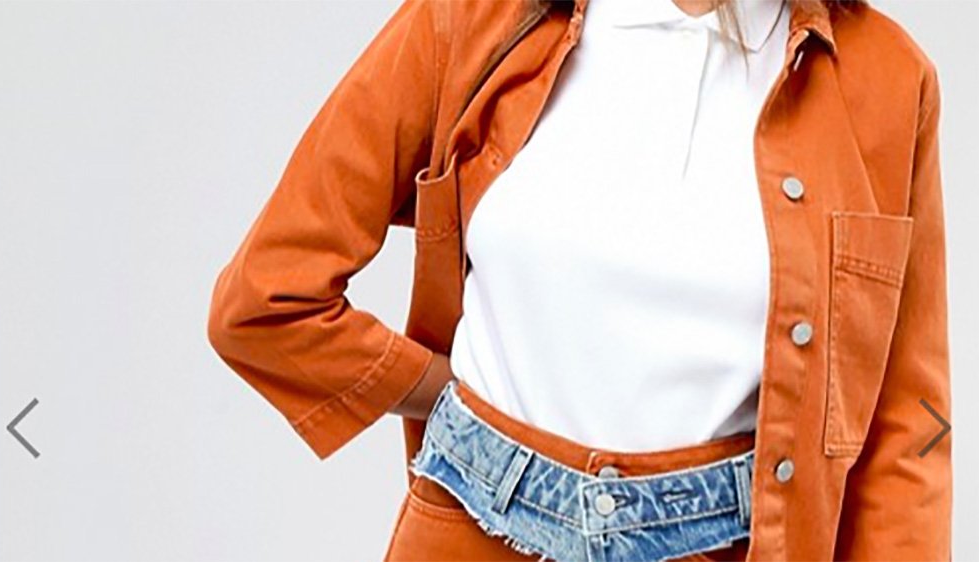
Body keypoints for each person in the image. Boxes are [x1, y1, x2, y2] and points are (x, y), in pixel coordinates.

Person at [206, 0, 952, 560]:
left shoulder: (886, 81)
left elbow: (908, 427)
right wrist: (447, 403)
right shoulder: (474, 20)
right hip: (472, 533)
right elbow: (267, 296)